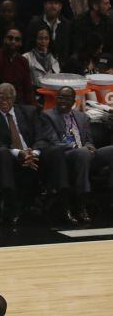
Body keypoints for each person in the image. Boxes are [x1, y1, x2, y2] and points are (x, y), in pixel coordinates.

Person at [0, 83, 58, 225]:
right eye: (0, 97)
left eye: (8, 98)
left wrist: (33, 153)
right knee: (2, 152)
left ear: (14, 99)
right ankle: (11, 205)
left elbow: (40, 137)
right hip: (10, 155)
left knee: (55, 151)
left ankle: (60, 202)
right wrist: (19, 153)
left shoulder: (29, 112)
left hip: (32, 154)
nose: (4, 101)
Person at [43, 86, 113, 221]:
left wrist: (89, 146)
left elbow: (88, 140)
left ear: (73, 100)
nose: (62, 101)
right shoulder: (48, 115)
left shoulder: (82, 117)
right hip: (65, 155)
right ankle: (81, 205)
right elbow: (52, 140)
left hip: (85, 152)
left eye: (66, 98)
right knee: (82, 153)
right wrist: (77, 147)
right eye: (60, 97)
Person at [0, 29, 34, 106]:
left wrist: (32, 107)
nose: (13, 42)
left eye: (17, 39)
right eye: (10, 38)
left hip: (20, 104)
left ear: (21, 43)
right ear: (4, 40)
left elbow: (27, 87)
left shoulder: (23, 61)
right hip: (1, 103)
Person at [25, 0, 72, 64]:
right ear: (44, 5)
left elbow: (68, 49)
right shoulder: (34, 24)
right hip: (38, 66)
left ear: (60, 6)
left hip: (62, 67)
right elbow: (29, 48)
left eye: (56, 3)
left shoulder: (67, 25)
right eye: (50, 3)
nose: (53, 6)